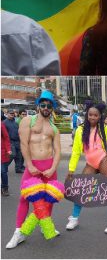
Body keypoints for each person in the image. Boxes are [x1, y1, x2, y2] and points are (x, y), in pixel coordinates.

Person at [6, 91, 62, 249]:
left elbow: (57, 150)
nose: (45, 108)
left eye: (48, 106)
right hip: (33, 167)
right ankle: (19, 232)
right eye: (43, 105)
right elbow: (24, 144)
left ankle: (46, 227)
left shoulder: (54, 128)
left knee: (49, 199)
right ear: (38, 106)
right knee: (24, 199)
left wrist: (53, 168)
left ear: (52, 108)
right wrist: (29, 165)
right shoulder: (27, 121)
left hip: (49, 167)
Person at [66, 102, 107, 233]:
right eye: (90, 115)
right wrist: (71, 169)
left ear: (100, 116)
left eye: (95, 115)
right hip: (90, 163)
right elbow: (76, 151)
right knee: (81, 189)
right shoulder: (80, 130)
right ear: (87, 115)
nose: (92, 117)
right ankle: (74, 218)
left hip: (103, 160)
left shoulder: (104, 128)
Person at [1, 115, 9, 196]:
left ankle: (5, 188)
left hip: (2, 152)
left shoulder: (1, 124)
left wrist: (8, 149)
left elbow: (6, 137)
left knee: (3, 172)